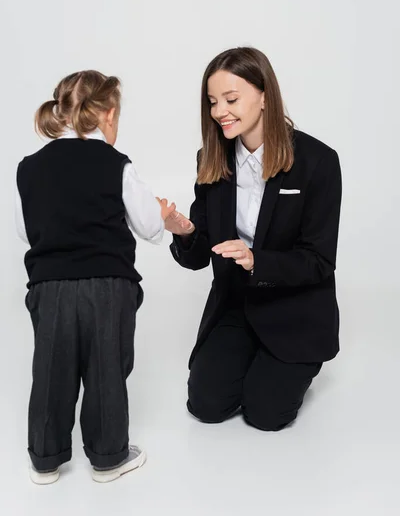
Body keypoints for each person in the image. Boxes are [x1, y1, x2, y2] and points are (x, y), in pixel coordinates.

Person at [166, 47, 342, 432]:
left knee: (266, 415)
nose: (219, 111)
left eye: (231, 99)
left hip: (294, 307)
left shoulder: (318, 162)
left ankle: (287, 366)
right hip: (237, 303)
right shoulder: (211, 158)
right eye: (212, 102)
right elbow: (200, 255)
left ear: (264, 95)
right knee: (206, 406)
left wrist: (256, 260)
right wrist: (186, 232)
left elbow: (319, 261)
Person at [16, 70, 178, 484]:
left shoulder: (30, 168)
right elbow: (145, 225)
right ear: (107, 114)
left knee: (51, 369)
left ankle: (45, 460)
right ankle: (108, 458)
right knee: (106, 367)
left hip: (50, 286)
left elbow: (24, 229)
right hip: (108, 284)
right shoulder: (116, 163)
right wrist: (160, 216)